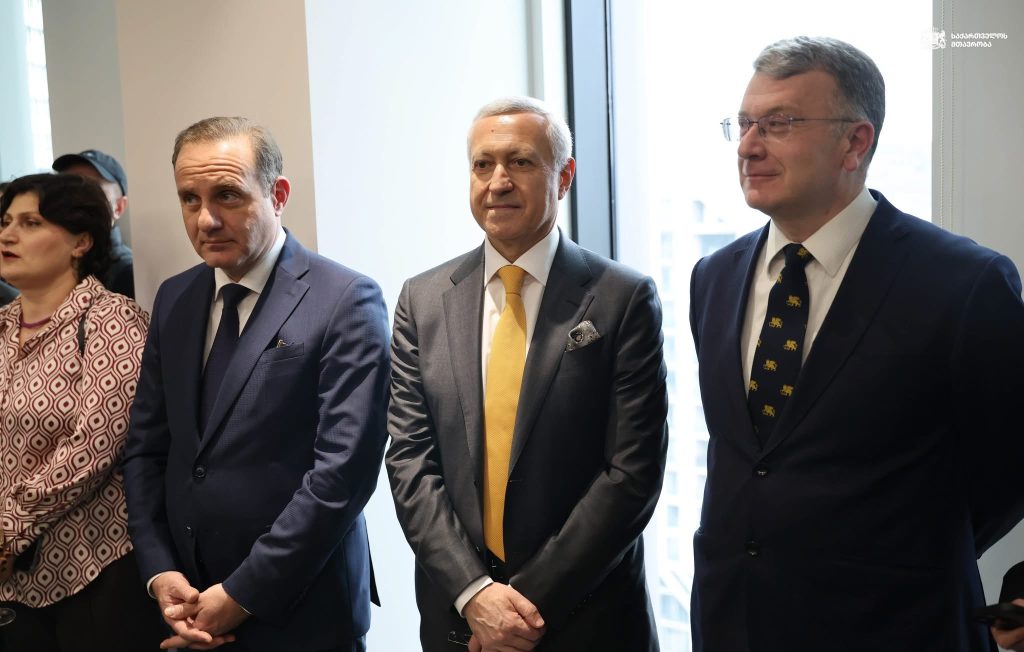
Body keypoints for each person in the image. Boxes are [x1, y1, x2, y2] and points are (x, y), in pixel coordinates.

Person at [689, 36, 1024, 650]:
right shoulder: (713, 277)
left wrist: (899, 554)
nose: (748, 146)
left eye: (778, 123)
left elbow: (1008, 470)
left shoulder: (963, 283)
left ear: (855, 142)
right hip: (734, 621)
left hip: (898, 625)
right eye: (743, 123)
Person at [386, 96, 668, 652]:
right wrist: (474, 594)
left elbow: (631, 474)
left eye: (520, 162)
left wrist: (522, 607)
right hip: (459, 621)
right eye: (482, 164)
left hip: (586, 618)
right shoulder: (422, 300)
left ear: (564, 176)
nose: (498, 182)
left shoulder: (622, 298)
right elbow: (410, 460)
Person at [121, 116, 390, 652]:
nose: (206, 219)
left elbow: (343, 473)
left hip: (301, 612)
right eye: (189, 199)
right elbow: (147, 449)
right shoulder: (175, 297)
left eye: (227, 195)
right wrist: (160, 571)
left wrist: (242, 594)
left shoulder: (345, 299)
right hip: (189, 602)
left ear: (278, 194)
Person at [0, 173, 162, 651]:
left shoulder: (113, 320)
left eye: (31, 223)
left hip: (92, 568)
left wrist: (7, 530)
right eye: (5, 221)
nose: (8, 234)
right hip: (13, 581)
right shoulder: (3, 325)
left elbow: (92, 447)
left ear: (81, 241)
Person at [52, 149, 134, 298]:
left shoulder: (127, 271)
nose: (75, 197)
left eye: (91, 188)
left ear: (119, 207)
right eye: (67, 187)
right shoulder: (49, 261)